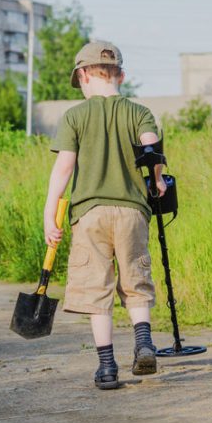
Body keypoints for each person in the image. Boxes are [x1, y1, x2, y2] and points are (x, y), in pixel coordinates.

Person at [44, 40, 166, 390]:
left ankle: (107, 367)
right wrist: (156, 181)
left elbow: (63, 170)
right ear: (121, 76)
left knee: (97, 289)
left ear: (82, 76)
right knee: (135, 281)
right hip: (132, 211)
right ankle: (144, 342)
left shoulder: (75, 116)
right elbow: (151, 148)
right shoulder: (138, 112)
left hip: (89, 212)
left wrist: (49, 214)